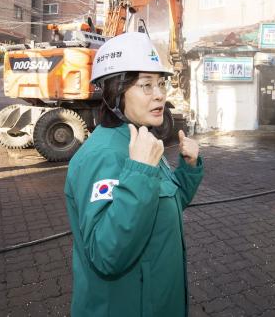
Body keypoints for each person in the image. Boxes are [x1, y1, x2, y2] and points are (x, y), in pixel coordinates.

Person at [65, 32, 204, 317]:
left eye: (161, 83)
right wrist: (139, 173)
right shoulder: (102, 155)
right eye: (146, 85)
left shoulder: (140, 139)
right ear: (116, 92)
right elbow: (106, 254)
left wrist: (188, 169)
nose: (160, 94)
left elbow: (165, 202)